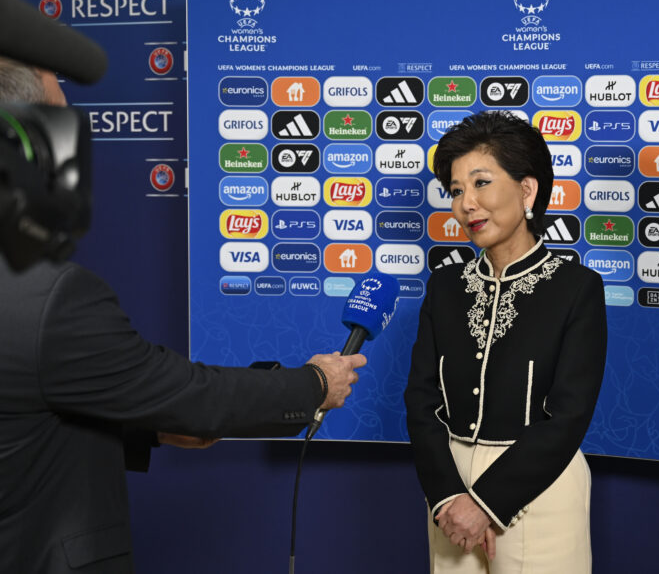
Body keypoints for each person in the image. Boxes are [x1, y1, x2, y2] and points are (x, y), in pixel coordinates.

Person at [0, 56, 368, 573]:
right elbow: (191, 395)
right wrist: (313, 385)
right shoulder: (50, 298)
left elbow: (23, 411)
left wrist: (149, 430)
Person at [405, 110, 607, 573]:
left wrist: (487, 503)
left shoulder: (577, 288)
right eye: (455, 191)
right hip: (449, 494)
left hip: (542, 491)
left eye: (480, 183)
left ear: (527, 190)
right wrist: (446, 498)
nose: (465, 205)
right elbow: (420, 400)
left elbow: (569, 415)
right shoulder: (445, 286)